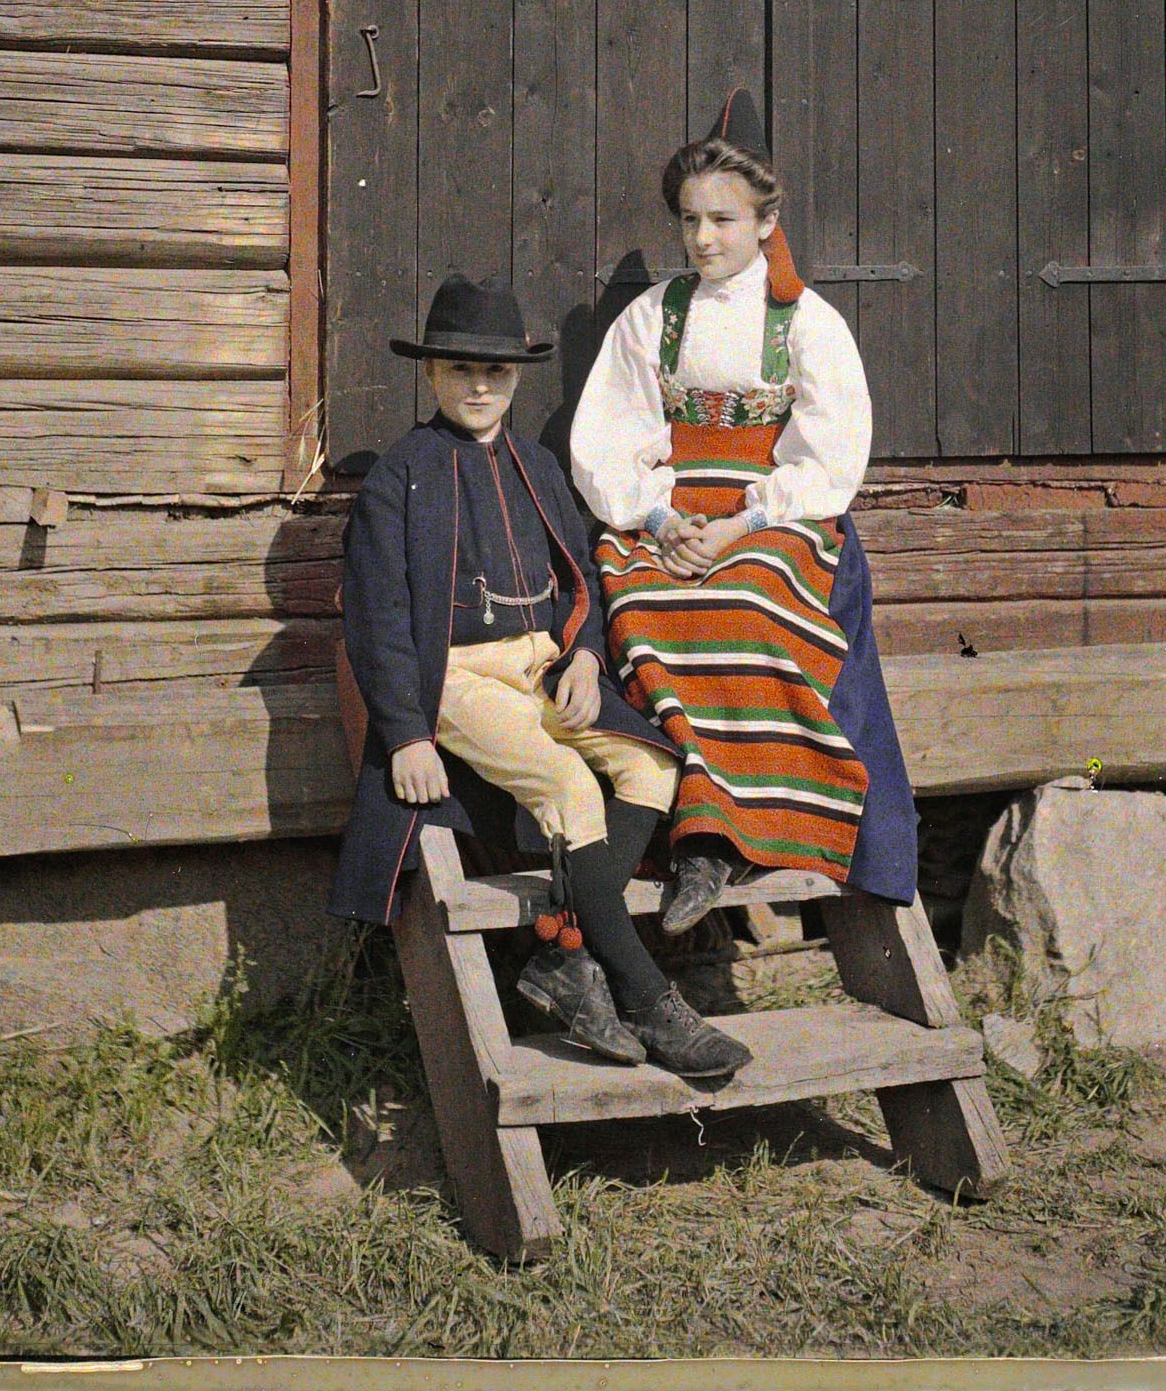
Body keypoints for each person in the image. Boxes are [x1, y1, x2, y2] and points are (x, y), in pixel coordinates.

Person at [327, 272, 752, 1079]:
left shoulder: (537, 466)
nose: (479, 386)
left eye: (494, 372)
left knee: (653, 761)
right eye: (460, 370)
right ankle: (649, 998)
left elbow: (579, 583)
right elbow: (377, 621)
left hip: (543, 665)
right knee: (570, 785)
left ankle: (562, 954)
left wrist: (588, 655)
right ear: (430, 375)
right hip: (452, 679)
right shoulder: (399, 479)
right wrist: (407, 734)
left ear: (516, 378)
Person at [571, 91, 918, 935]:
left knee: (741, 600)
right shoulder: (653, 315)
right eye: (689, 221)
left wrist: (742, 523)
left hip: (774, 516)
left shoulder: (806, 322)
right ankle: (687, 822)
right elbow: (605, 437)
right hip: (673, 513)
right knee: (644, 600)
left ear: (766, 221)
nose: (702, 240)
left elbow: (829, 455)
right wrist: (656, 521)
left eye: (723, 221)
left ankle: (726, 839)